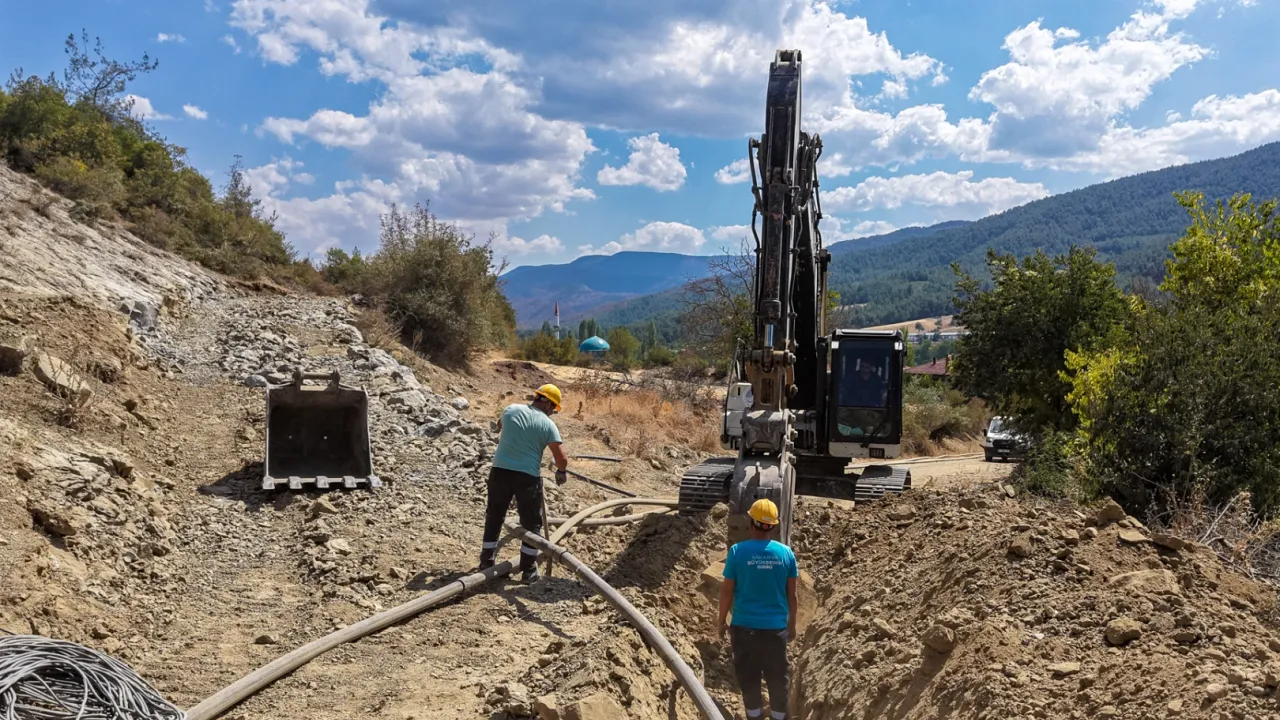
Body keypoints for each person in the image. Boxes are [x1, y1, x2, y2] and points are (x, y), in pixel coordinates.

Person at [716, 498, 799, 720]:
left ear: (751, 523)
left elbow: (727, 592)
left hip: (744, 629)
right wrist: (792, 625)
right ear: (773, 526)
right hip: (775, 630)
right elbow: (792, 595)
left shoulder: (737, 552)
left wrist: (721, 621)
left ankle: (754, 717)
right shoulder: (786, 554)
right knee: (778, 680)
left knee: (749, 680)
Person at [478, 383, 568, 583]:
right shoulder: (548, 425)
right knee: (531, 523)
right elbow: (561, 459)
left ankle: (486, 562)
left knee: (494, 516)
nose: (552, 412)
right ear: (548, 404)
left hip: (499, 472)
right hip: (527, 477)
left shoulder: (511, 409)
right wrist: (561, 472)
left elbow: (500, 425)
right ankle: (528, 570)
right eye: (553, 408)